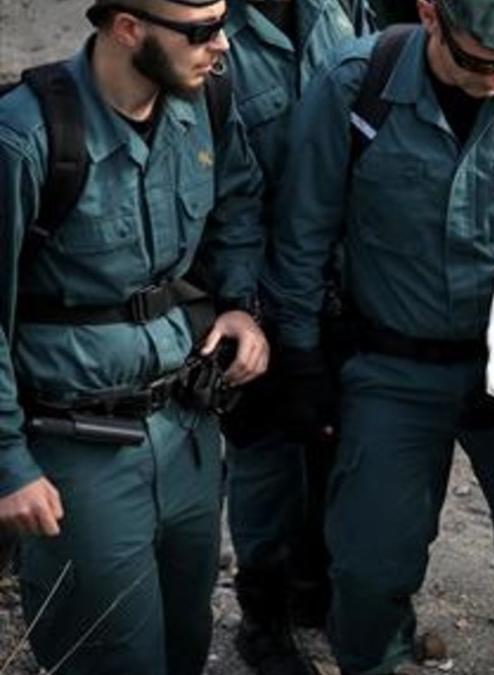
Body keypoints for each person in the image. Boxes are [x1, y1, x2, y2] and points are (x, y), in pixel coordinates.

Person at [264, 0, 494, 672]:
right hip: (393, 365)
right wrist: (301, 354)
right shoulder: (354, 87)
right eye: (481, 63)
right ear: (431, 16)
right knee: (370, 555)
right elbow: (303, 233)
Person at [0, 0, 269, 672]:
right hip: (77, 447)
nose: (223, 44)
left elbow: (238, 197)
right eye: (202, 30)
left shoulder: (203, 104)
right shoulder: (27, 138)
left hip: (187, 431)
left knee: (185, 637)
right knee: (109, 654)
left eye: (224, 20)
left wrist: (239, 306)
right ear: (127, 29)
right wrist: (8, 461)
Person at [221, 0, 372, 672]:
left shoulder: (342, 10)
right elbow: (218, 184)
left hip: (340, 276)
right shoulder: (210, 26)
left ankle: (316, 588)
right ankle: (263, 617)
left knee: (334, 440)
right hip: (257, 286)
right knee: (264, 457)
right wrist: (242, 300)